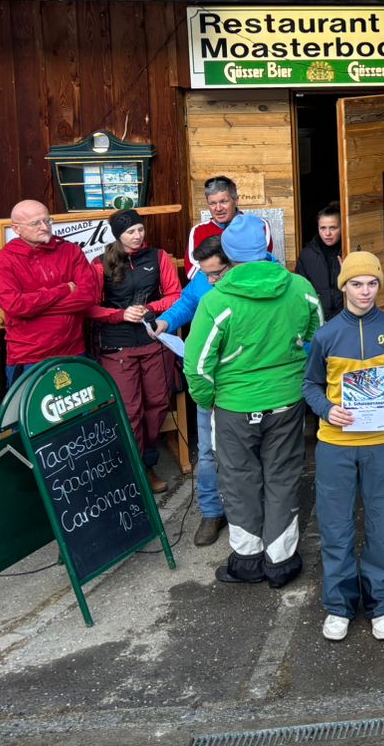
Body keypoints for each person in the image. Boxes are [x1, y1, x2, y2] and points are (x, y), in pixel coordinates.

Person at [184, 214, 322, 587]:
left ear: (229, 255)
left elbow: (197, 366)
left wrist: (209, 400)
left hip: (234, 406)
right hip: (287, 401)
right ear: (265, 248)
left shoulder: (216, 301)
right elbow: (317, 337)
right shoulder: (300, 287)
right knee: (283, 477)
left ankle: (247, 561)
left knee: (238, 480)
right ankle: (281, 562)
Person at [302, 252, 384, 642]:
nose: (365, 291)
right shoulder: (326, 335)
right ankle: (339, 605)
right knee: (336, 526)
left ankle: (381, 603)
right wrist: (326, 409)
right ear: (344, 287)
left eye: (371, 284)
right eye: (356, 284)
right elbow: (310, 385)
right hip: (335, 444)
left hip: (382, 442)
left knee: (383, 524)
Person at [88, 210, 182, 492]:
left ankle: (148, 463)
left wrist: (151, 307)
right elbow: (89, 308)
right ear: (118, 235)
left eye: (140, 229)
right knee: (129, 409)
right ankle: (133, 469)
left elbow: (175, 295)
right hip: (117, 345)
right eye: (131, 232)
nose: (138, 236)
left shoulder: (158, 257)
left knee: (157, 403)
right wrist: (120, 314)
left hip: (154, 339)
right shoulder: (100, 263)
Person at [155, 234, 233, 546]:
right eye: (206, 273)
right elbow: (188, 301)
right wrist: (165, 321)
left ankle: (249, 511)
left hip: (240, 379)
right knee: (209, 450)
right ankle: (212, 512)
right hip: (208, 379)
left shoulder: (249, 280)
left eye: (216, 273)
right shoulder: (204, 278)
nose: (210, 279)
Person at [0, 200, 99, 388]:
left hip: (73, 351)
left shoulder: (70, 251)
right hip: (30, 357)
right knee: (31, 407)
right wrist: (64, 289)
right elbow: (15, 306)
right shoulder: (1, 261)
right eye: (35, 223)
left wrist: (35, 307)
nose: (45, 227)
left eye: (47, 220)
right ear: (16, 229)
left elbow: (89, 296)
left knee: (82, 406)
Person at [186, 176, 273, 273]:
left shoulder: (258, 225)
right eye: (212, 203)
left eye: (223, 201)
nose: (218, 208)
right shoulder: (199, 231)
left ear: (236, 200)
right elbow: (193, 271)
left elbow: (262, 261)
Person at [295, 203, 344, 320]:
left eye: (333, 228)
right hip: (319, 318)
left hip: (347, 318)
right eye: (323, 228)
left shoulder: (348, 251)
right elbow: (301, 290)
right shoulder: (307, 255)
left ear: (342, 227)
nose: (327, 233)